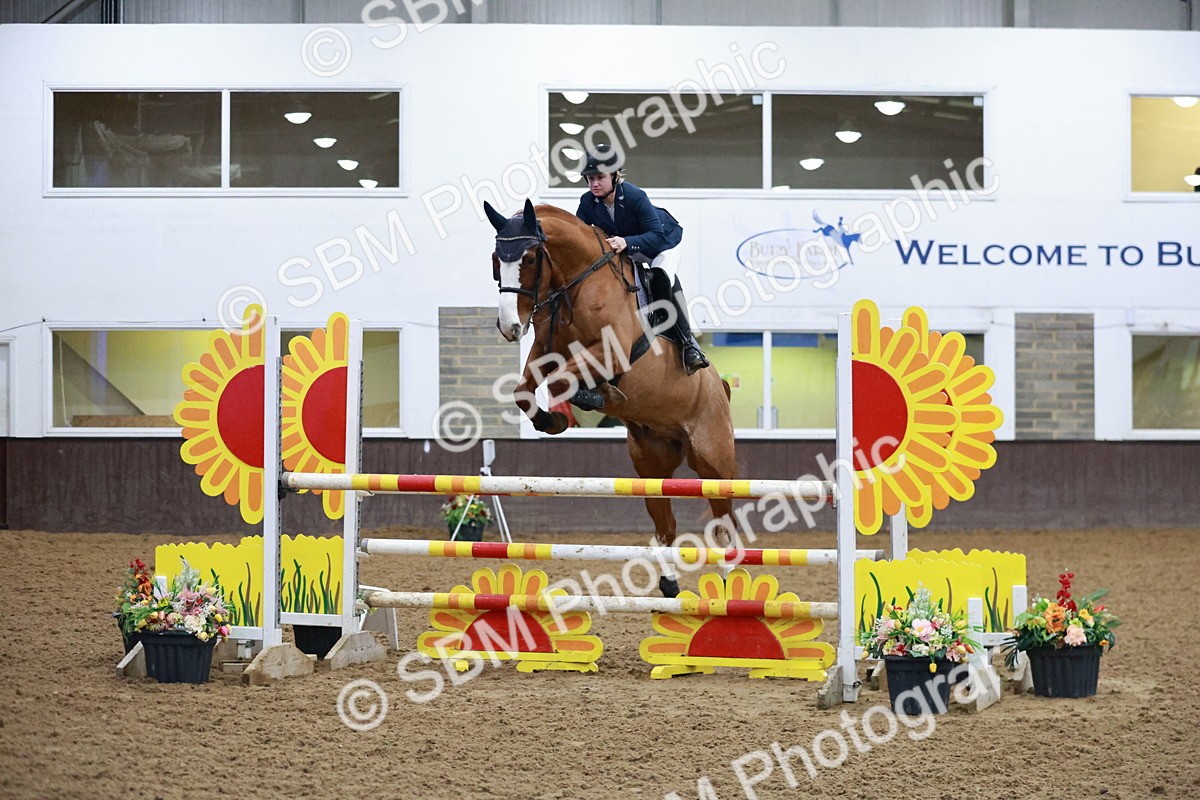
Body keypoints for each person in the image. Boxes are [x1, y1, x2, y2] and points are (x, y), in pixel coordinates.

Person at [575, 145, 710, 375]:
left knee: (661, 278)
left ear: (615, 176)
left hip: (661, 244)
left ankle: (689, 345)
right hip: (627, 248)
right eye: (589, 179)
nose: (594, 184)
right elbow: (579, 235)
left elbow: (656, 236)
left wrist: (627, 242)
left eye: (599, 177)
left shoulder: (635, 196)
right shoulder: (588, 202)